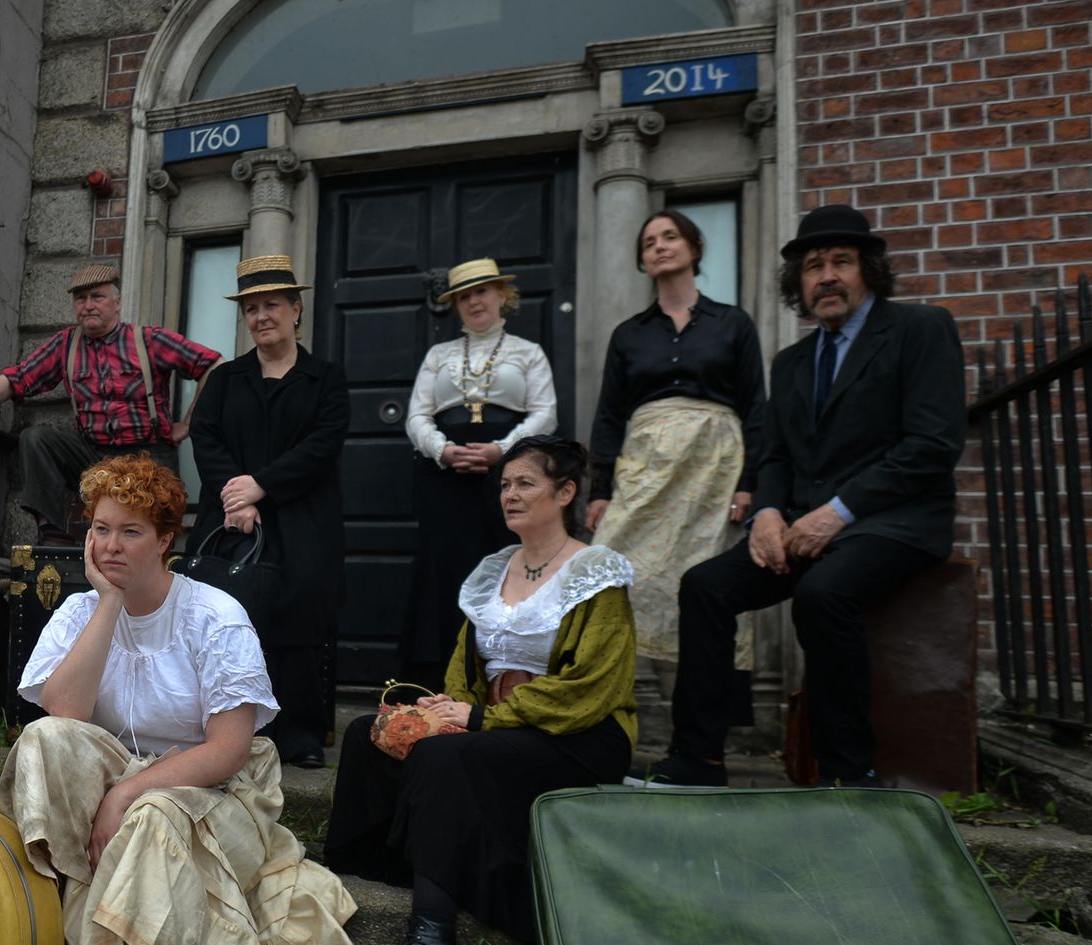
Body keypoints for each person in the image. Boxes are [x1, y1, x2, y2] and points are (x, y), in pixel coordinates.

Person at [0, 455, 359, 945]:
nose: (111, 545)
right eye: (102, 528)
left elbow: (228, 750)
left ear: (166, 540)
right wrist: (108, 601)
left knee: (153, 813)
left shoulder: (214, 616)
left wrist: (128, 792)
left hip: (215, 790)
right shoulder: (83, 612)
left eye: (131, 532)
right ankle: (38, 928)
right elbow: (63, 714)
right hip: (120, 775)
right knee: (44, 740)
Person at [631, 203, 966, 789]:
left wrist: (836, 514)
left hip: (894, 522)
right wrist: (765, 514)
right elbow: (777, 457)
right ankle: (698, 761)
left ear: (869, 270)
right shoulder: (791, 362)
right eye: (813, 267)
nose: (826, 276)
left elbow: (933, 445)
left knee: (821, 594)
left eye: (841, 261)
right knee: (704, 587)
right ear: (799, 284)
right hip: (804, 526)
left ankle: (846, 775)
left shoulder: (920, 328)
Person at [325, 436, 636, 945]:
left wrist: (479, 718)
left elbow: (592, 688)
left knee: (444, 759)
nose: (510, 495)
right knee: (369, 734)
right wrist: (446, 712)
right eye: (505, 484)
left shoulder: (596, 573)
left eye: (526, 484)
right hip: (497, 725)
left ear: (566, 492)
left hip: (576, 735)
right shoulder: (495, 569)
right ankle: (392, 867)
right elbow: (466, 668)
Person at [586, 209, 766, 693]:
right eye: (649, 243)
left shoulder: (732, 324)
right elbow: (608, 417)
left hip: (715, 469)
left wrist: (751, 483)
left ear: (695, 248)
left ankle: (703, 717)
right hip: (646, 465)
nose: (660, 246)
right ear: (643, 262)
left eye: (670, 237)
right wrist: (600, 491)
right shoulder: (629, 334)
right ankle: (598, 700)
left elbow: (756, 408)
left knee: (705, 580)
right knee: (605, 569)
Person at [187, 255, 349, 769]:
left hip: (303, 518)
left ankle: (299, 729)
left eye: (272, 305)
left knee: (299, 616)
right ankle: (222, 726)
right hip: (230, 519)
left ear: (296, 309)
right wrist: (236, 496)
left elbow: (322, 446)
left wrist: (261, 486)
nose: (261, 316)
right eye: (251, 308)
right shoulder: (226, 379)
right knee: (226, 618)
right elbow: (204, 437)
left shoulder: (325, 378)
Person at [0, 264, 221, 543]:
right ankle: (52, 536)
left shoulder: (148, 340)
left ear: (117, 303)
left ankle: (157, 552)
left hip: (148, 456)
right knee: (36, 439)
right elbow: (16, 379)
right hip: (93, 455)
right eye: (80, 299)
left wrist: (189, 423)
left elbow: (213, 366)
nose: (88, 305)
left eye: (98, 297)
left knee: (146, 527)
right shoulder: (65, 344)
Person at [399, 257, 557, 684]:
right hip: (444, 478)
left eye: (481, 292)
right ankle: (438, 681)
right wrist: (443, 450)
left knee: (504, 566)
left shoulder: (529, 352)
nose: (474, 302)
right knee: (442, 573)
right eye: (464, 296)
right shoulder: (439, 354)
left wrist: (503, 452)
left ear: (502, 295)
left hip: (508, 478)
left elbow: (546, 413)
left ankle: (501, 677)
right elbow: (416, 417)